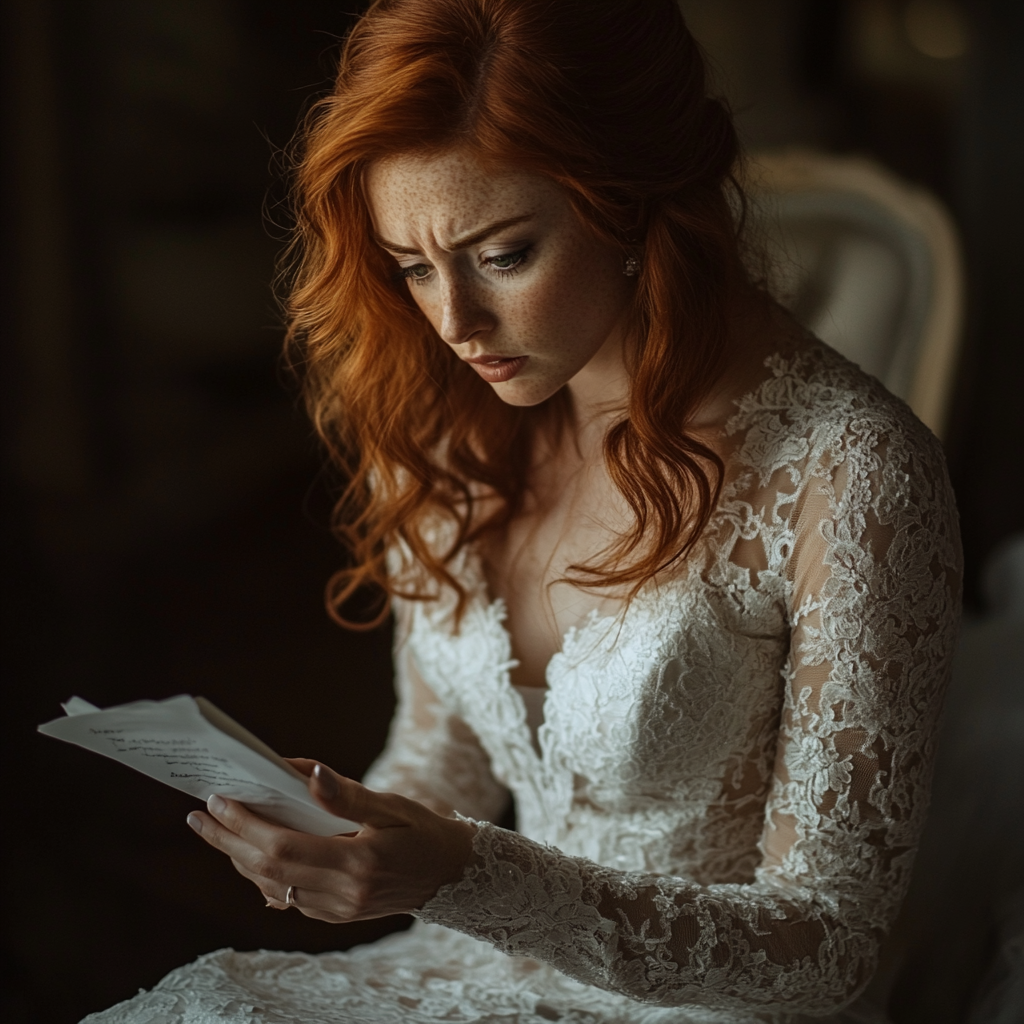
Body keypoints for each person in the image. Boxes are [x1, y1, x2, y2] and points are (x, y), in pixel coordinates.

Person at [85, 1, 962, 1022]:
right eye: (413, 266)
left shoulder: (852, 472)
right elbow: (439, 765)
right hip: (471, 971)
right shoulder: (459, 426)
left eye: (501, 254)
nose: (454, 321)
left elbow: (822, 945)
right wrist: (333, 826)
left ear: (634, 199)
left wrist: (461, 875)